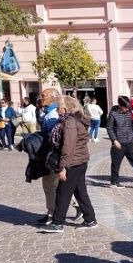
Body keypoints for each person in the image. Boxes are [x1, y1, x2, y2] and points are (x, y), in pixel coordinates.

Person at [42, 96, 97, 233]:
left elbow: (68, 146)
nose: (58, 110)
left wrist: (63, 167)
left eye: (59, 107)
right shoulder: (76, 119)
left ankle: (57, 223)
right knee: (80, 192)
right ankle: (90, 219)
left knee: (63, 192)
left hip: (73, 162)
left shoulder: (70, 122)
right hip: (80, 160)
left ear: (65, 108)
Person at [107, 96, 133, 188]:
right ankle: (114, 182)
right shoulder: (113, 114)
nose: (127, 109)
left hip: (129, 142)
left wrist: (132, 135)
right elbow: (109, 128)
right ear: (120, 105)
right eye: (125, 107)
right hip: (118, 143)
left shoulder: (129, 112)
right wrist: (114, 140)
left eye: (128, 107)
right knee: (116, 164)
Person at [36, 88, 63, 225]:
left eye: (44, 96)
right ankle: (51, 212)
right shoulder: (47, 113)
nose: (41, 98)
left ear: (53, 98)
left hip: (52, 156)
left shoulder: (53, 114)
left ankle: (52, 213)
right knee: (50, 185)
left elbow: (51, 137)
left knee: (51, 185)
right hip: (48, 155)